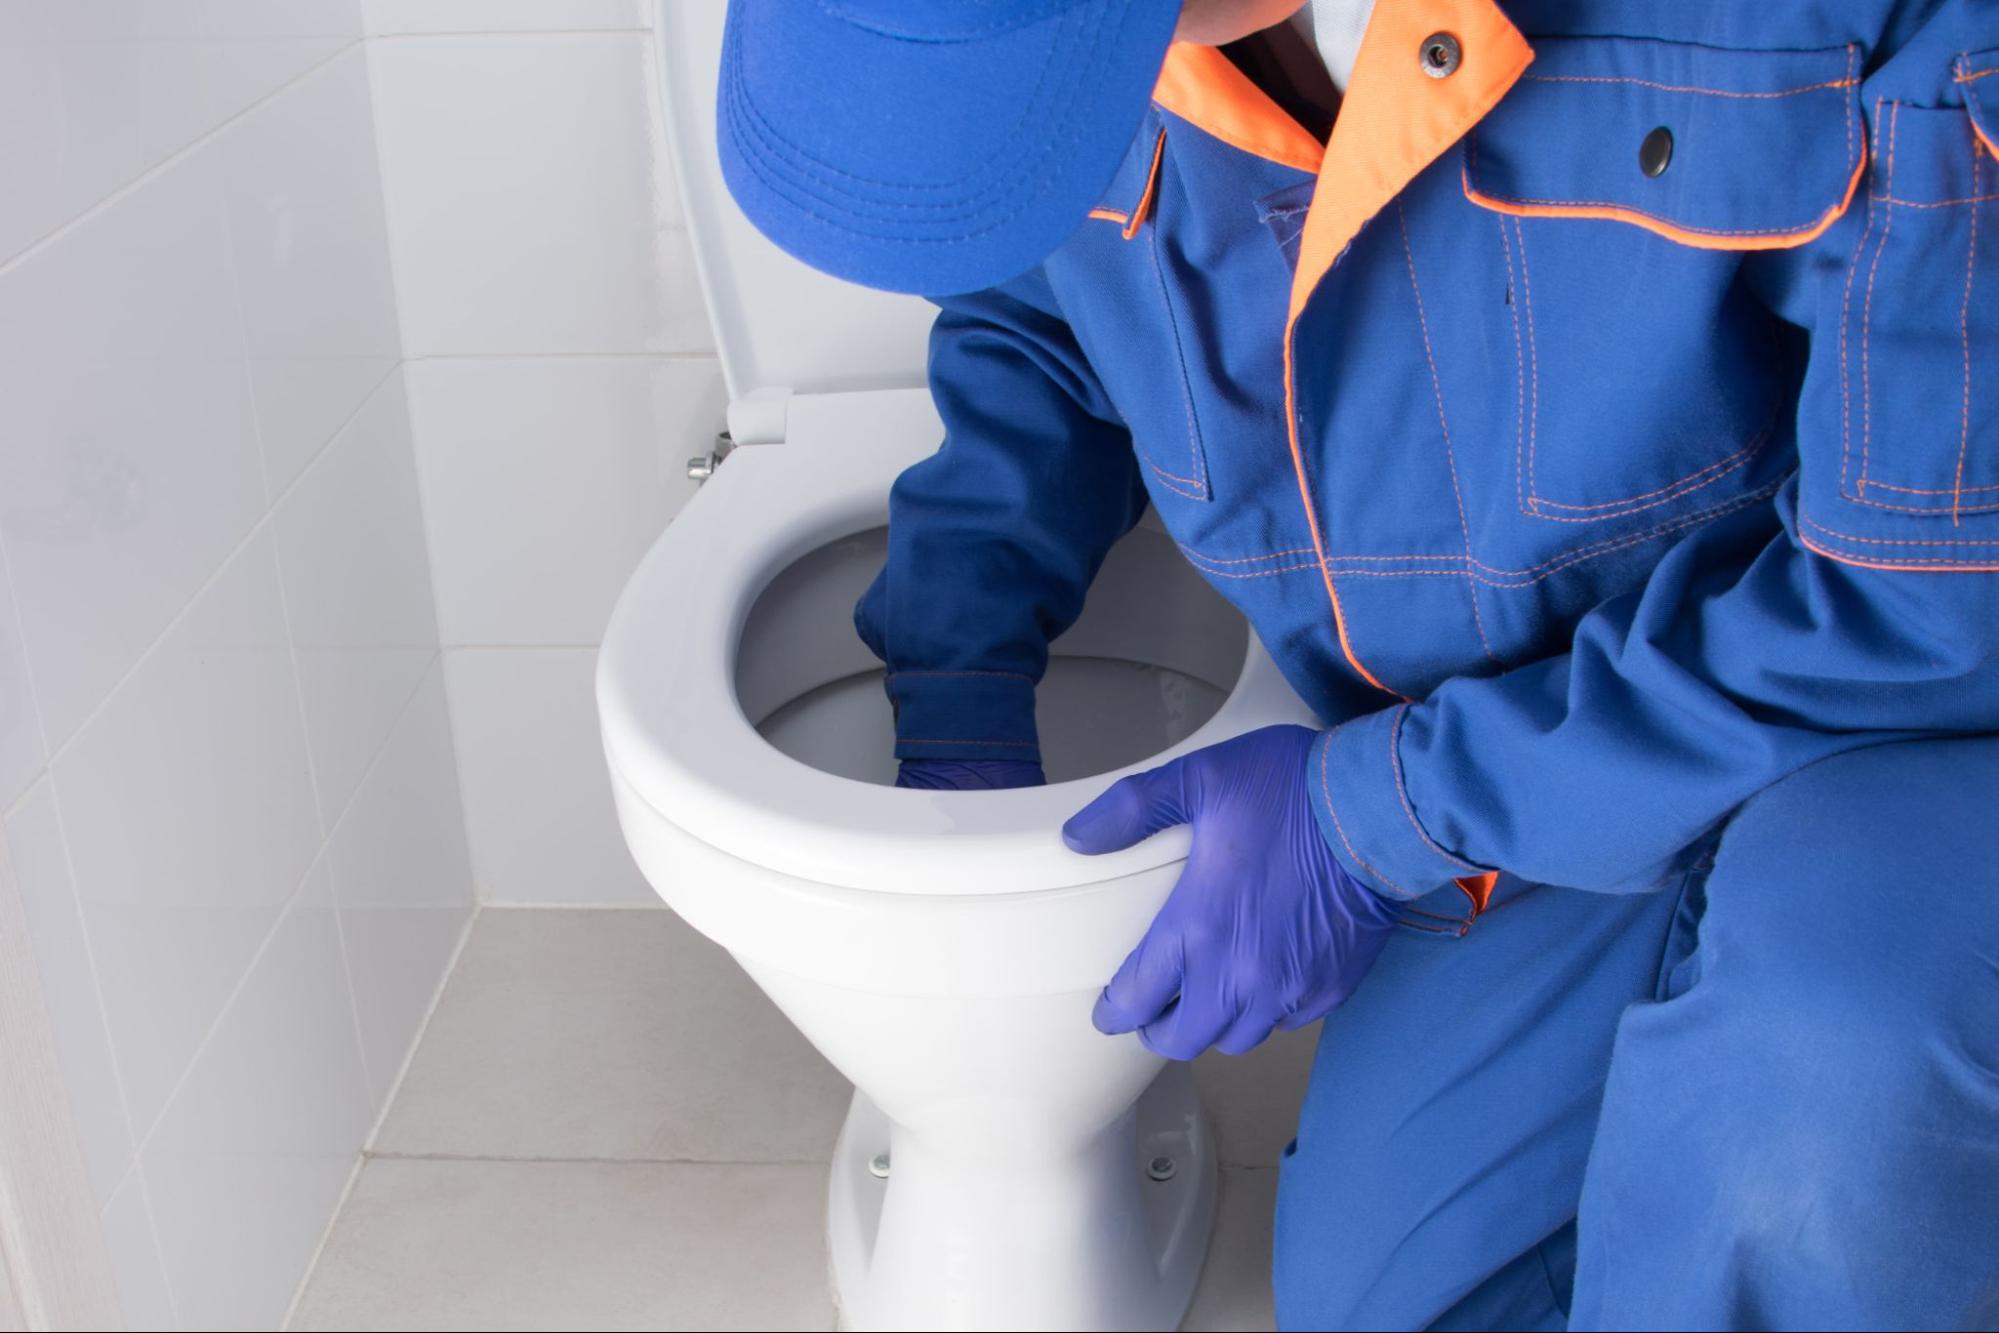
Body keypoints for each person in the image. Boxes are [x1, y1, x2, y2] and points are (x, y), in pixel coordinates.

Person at [718, 0, 1999, 1327]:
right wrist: (960, 678)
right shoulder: (1090, 66)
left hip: (1890, 752)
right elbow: (1042, 314)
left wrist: (1371, 818)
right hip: (1529, 794)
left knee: (1833, 1103)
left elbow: (1921, 607)